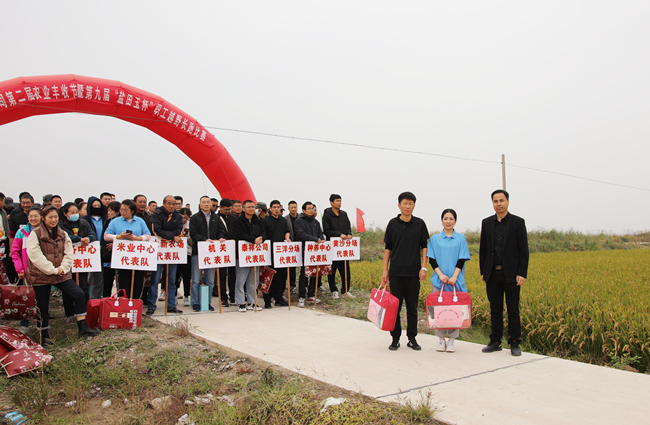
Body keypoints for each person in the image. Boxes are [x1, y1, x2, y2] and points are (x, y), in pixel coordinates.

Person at [26, 205, 100, 344]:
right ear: (43, 218)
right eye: (50, 217)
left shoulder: (63, 234)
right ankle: (44, 335)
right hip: (41, 275)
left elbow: (68, 252)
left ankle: (83, 327)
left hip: (61, 273)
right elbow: (35, 256)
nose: (53, 220)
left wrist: (62, 268)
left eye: (55, 217)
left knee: (78, 294)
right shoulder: (35, 234)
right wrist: (53, 270)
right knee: (42, 305)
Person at [479, 189, 529, 356]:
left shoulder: (517, 222)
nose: (498, 204)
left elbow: (524, 250)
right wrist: (484, 271)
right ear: (492, 203)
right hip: (492, 273)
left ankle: (515, 342)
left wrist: (522, 273)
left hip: (512, 274)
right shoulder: (487, 223)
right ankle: (495, 341)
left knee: (513, 309)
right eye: (495, 201)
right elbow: (483, 249)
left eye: (501, 200)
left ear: (507, 202)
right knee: (495, 309)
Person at [382, 191, 429, 351]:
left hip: (414, 273)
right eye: (405, 203)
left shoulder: (420, 224)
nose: (408, 206)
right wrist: (385, 269)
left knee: (412, 308)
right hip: (396, 272)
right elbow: (388, 248)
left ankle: (412, 338)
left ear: (414, 205)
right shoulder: (392, 224)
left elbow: (424, 247)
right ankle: (395, 339)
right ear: (399, 205)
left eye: (411, 203)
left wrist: (423, 267)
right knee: (395, 307)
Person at [427, 209, 471, 353]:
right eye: (445, 218)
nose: (448, 221)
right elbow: (432, 259)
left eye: (451, 219)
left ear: (455, 221)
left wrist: (454, 276)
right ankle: (440, 339)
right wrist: (440, 275)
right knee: (438, 309)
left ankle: (452, 339)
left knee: (455, 310)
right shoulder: (434, 239)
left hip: (455, 281)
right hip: (438, 280)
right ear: (442, 220)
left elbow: (462, 258)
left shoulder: (461, 238)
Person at [104, 199, 152, 302]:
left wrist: (137, 238)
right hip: (122, 257)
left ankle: (135, 302)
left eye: (125, 210)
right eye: (121, 209)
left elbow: (148, 235)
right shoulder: (115, 221)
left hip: (137, 256)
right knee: (123, 281)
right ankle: (124, 303)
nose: (123, 212)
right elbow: (106, 236)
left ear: (132, 211)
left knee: (138, 281)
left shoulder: (140, 221)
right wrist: (119, 237)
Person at [59, 202, 96, 319]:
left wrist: (88, 238)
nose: (75, 214)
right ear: (65, 214)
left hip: (82, 261)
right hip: (67, 261)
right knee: (68, 288)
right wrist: (78, 239)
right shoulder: (61, 224)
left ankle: (84, 311)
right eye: (72, 212)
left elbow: (93, 235)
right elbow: (62, 236)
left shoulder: (84, 223)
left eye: (76, 212)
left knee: (84, 286)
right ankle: (69, 313)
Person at [149, 195, 184, 314]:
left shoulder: (178, 215)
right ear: (164, 204)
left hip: (172, 252)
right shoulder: (157, 214)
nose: (171, 206)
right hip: (159, 251)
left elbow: (178, 231)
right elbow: (156, 230)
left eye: (174, 203)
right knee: (155, 279)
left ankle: (171, 305)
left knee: (172, 280)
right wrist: (172, 237)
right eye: (169, 203)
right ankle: (151, 305)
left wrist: (171, 236)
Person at [11, 206, 42, 333]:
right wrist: (20, 269)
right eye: (30, 216)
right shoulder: (21, 232)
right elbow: (15, 252)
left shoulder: (46, 231)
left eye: (36, 216)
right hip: (27, 271)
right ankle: (24, 325)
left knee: (41, 298)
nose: (33, 218)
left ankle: (41, 324)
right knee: (26, 297)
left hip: (42, 270)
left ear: (41, 217)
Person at [189, 196, 222, 312]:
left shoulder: (216, 218)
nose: (206, 204)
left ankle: (207, 302)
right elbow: (193, 233)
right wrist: (204, 240)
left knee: (210, 281)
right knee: (196, 280)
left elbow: (221, 230)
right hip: (198, 252)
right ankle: (195, 302)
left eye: (208, 202)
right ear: (200, 205)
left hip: (212, 254)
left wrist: (221, 238)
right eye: (204, 202)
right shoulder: (194, 218)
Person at [232, 200, 266, 312]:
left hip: (255, 255)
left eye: (252, 207)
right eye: (249, 207)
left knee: (253, 280)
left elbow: (264, 233)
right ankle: (241, 302)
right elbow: (239, 234)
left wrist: (261, 239)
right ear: (243, 208)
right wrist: (253, 240)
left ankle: (252, 302)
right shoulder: (238, 221)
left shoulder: (258, 221)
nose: (251, 209)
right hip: (243, 254)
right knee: (241, 280)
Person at [322, 194, 354, 299]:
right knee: (332, 270)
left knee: (345, 269)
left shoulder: (344, 214)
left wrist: (349, 234)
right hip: (332, 247)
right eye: (337, 201)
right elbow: (326, 231)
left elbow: (348, 226)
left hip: (343, 247)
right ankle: (334, 290)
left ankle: (345, 290)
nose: (339, 203)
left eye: (340, 201)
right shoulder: (327, 215)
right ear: (331, 202)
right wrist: (339, 234)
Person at [294, 201, 325, 307]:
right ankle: (301, 297)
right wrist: (315, 239)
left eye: (313, 208)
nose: (312, 210)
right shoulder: (299, 221)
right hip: (304, 251)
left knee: (315, 273)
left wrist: (322, 239)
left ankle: (311, 295)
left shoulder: (316, 222)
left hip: (315, 252)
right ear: (303, 210)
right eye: (309, 208)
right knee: (304, 274)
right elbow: (301, 234)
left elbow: (320, 234)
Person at [262, 200, 290, 308]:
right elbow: (263, 235)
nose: (277, 209)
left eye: (278, 207)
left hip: (280, 253)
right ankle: (267, 300)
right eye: (274, 207)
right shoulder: (266, 220)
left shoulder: (282, 220)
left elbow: (287, 231)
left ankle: (278, 298)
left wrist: (287, 238)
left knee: (280, 277)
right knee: (269, 276)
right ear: (270, 209)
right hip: (269, 253)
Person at [83, 196, 108, 299]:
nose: (97, 207)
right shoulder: (84, 220)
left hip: (101, 251)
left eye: (98, 205)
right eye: (94, 205)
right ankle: (85, 299)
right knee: (87, 278)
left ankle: (96, 299)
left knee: (99, 278)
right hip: (89, 251)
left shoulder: (105, 220)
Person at [216, 198, 237, 305]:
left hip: (232, 249)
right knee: (222, 275)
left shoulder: (234, 218)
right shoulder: (215, 218)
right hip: (221, 250)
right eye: (225, 210)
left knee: (233, 274)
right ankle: (223, 297)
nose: (228, 211)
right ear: (220, 207)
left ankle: (233, 296)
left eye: (229, 209)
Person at [100, 201, 121, 297]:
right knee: (107, 282)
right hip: (108, 257)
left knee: (120, 283)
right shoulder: (108, 222)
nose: (108, 213)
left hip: (120, 256)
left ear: (117, 212)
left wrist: (115, 245)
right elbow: (104, 239)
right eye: (108, 211)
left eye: (111, 211)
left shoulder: (121, 223)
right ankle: (106, 300)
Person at [175, 207, 192, 307]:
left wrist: (187, 235)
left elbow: (192, 241)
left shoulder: (190, 225)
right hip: (177, 254)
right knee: (176, 276)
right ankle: (174, 294)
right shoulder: (175, 224)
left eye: (186, 218)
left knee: (187, 276)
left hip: (188, 253)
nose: (184, 220)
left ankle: (186, 295)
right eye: (182, 217)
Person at [284, 200, 299, 292]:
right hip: (291, 244)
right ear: (288, 208)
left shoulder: (301, 217)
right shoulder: (285, 219)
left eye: (295, 207)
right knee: (291, 266)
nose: (293, 209)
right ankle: (291, 284)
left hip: (301, 243)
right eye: (292, 207)